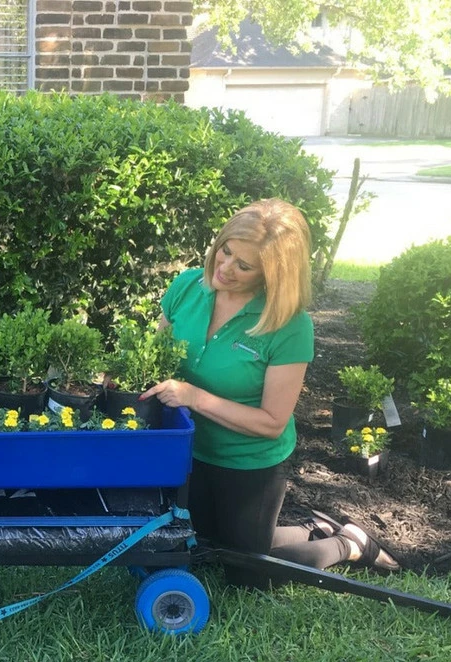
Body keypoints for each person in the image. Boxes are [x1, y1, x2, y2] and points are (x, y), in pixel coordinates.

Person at [138, 198, 399, 584]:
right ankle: (310, 528)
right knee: (200, 548)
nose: (225, 268)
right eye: (226, 251)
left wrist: (194, 397)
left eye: (244, 266)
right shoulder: (187, 286)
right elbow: (155, 361)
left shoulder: (289, 325)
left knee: (246, 575)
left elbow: (272, 423)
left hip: (247, 462)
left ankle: (347, 544)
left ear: (272, 275)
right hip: (186, 452)